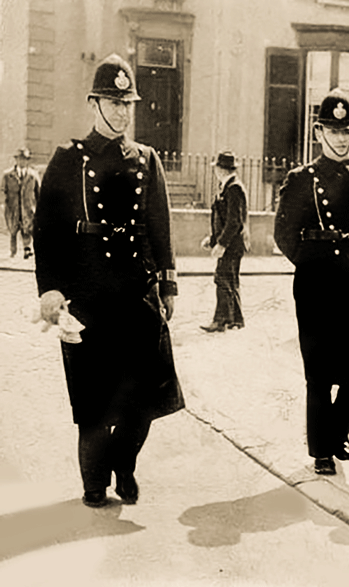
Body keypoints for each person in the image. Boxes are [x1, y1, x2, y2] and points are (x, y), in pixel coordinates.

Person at [33, 53, 184, 508]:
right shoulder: (68, 158)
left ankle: (124, 463)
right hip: (86, 294)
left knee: (148, 396)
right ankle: (94, 483)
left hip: (136, 293)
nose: (122, 112)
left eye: (127, 104)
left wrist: (168, 284)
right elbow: (47, 230)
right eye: (114, 103)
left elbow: (160, 226)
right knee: (94, 401)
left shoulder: (146, 159)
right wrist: (51, 289)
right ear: (93, 103)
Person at [274, 88, 349, 476]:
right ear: (318, 132)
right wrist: (312, 263)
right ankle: (321, 450)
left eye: (347, 131)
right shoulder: (301, 179)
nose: (341, 138)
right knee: (320, 372)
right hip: (317, 286)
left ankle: (338, 428)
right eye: (333, 130)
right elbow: (284, 234)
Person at [200, 151, 248, 332]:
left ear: (221, 169)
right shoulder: (227, 186)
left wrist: (222, 244)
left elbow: (234, 221)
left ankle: (220, 321)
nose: (215, 171)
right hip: (231, 244)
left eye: (217, 168)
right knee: (230, 280)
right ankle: (236, 319)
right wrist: (213, 239)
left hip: (231, 245)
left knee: (222, 279)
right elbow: (222, 219)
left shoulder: (234, 188)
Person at [3, 147, 40, 259]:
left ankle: (27, 249)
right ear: (16, 160)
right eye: (20, 159)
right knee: (13, 230)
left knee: (27, 228)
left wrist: (38, 206)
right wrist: (3, 203)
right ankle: (12, 252)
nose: (22, 161)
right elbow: (2, 190)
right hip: (12, 207)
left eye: (24, 159)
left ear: (27, 161)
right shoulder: (8, 175)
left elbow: (38, 192)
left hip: (28, 207)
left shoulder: (33, 175)